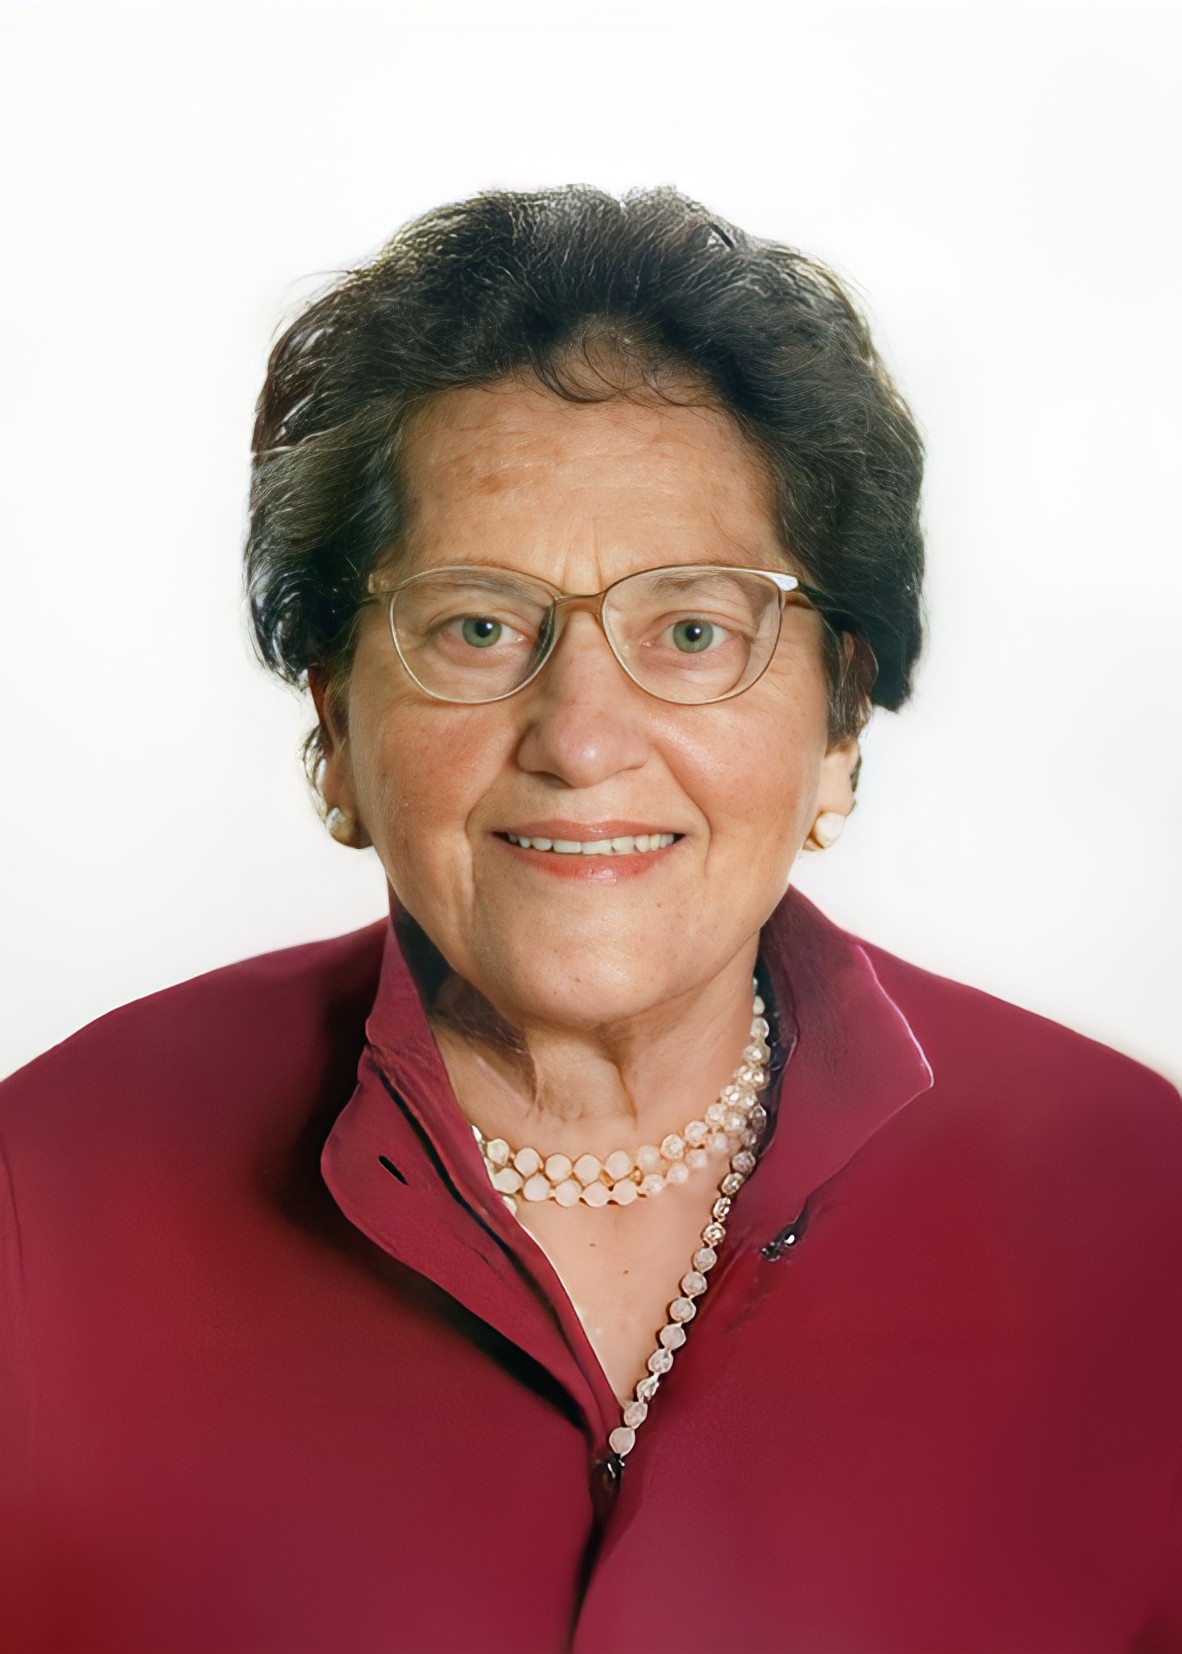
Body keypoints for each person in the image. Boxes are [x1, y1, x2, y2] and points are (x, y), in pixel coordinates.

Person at [1, 185, 1179, 1654]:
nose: (579, 735)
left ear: (838, 723)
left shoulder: (1143, 1209)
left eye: (691, 630)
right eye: (477, 625)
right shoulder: (42, 1203)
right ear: (336, 725)